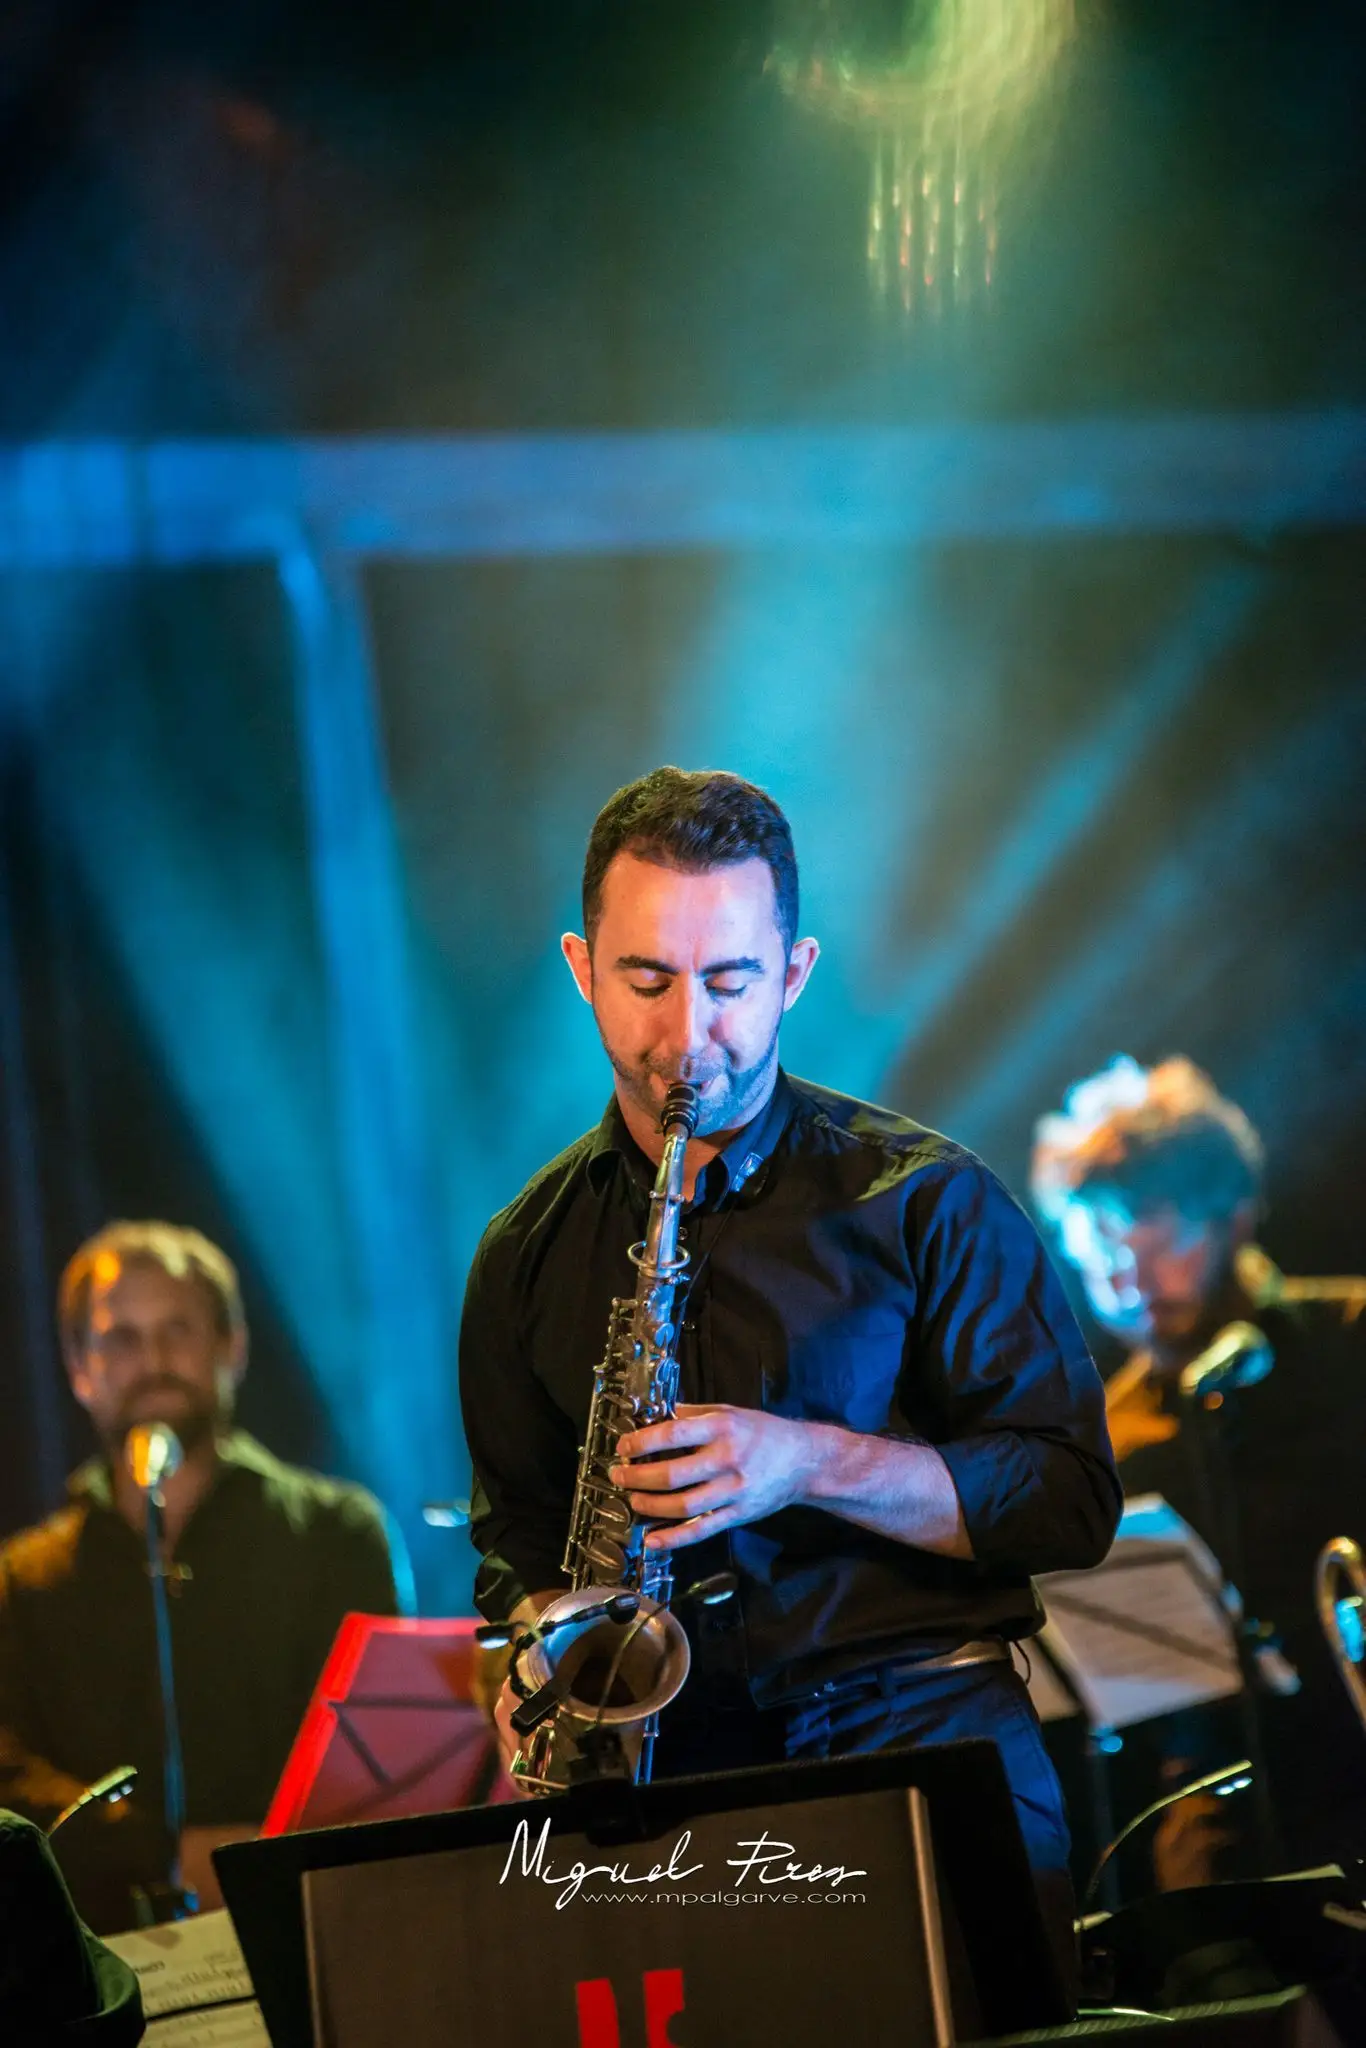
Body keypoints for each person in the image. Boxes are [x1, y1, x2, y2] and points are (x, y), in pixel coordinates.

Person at [460, 767, 1121, 1991]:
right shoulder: (523, 1252)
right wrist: (539, 1646)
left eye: (730, 982)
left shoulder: (927, 1198)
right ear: (581, 966)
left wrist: (806, 1459)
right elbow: (518, 1532)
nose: (686, 1034)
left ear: (795, 971)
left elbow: (1068, 1497)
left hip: (919, 1737)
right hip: (673, 1785)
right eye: (647, 981)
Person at [0, 1221, 410, 1930]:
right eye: (121, 1338)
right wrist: (153, 1853)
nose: (154, 1360)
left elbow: (384, 1748)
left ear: (232, 1347)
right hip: (105, 1957)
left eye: (178, 1330)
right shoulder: (20, 1579)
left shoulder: (338, 1533)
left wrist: (253, 1859)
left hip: (310, 1927)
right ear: (78, 1368)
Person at [1030, 1057, 1366, 1881]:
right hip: (1244, 1813)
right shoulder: (1107, 1438)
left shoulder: (1352, 1337)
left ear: (1234, 1217)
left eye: (1158, 1238)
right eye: (1100, 1259)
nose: (1131, 1281)